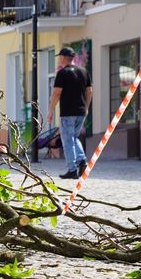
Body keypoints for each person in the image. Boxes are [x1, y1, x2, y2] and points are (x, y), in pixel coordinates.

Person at [46, 46, 92, 180]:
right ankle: (81, 161)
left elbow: (57, 93)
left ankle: (72, 169)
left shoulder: (63, 73)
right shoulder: (84, 71)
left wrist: (50, 110)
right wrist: (87, 107)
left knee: (67, 140)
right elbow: (89, 91)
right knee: (74, 138)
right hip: (81, 111)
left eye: (59, 57)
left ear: (62, 58)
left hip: (67, 112)